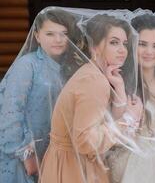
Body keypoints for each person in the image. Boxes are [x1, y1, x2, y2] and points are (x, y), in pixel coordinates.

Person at [39, 13, 143, 183]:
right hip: (73, 168)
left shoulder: (93, 73)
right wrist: (129, 118)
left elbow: (100, 122)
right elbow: (85, 142)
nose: (122, 50)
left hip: (69, 161)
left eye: (124, 44)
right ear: (95, 48)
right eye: (114, 42)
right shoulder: (94, 81)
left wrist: (119, 88)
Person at [0, 7, 77, 183]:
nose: (58, 40)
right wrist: (24, 154)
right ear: (37, 36)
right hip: (23, 152)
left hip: (54, 150)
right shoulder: (27, 65)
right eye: (50, 34)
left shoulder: (70, 68)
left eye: (63, 34)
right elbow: (10, 113)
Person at [107, 13, 155, 183]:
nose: (149, 52)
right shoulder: (122, 86)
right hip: (139, 167)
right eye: (142, 44)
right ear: (132, 45)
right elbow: (115, 137)